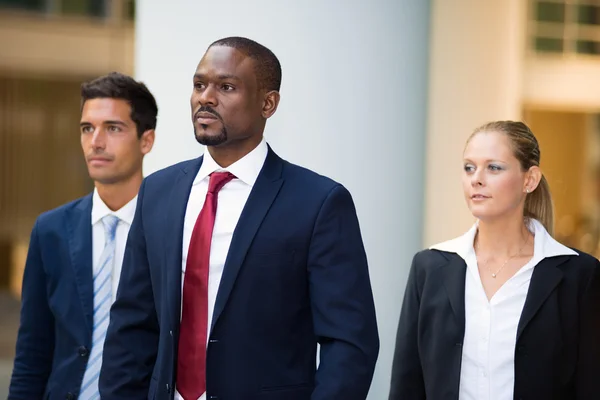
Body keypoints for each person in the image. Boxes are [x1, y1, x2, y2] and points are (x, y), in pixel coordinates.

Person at [99, 36, 379, 400]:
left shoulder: (319, 203)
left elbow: (349, 343)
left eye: (226, 87)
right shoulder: (157, 193)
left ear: (268, 103)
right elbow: (131, 327)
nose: (206, 97)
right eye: (199, 85)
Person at [389, 120, 600, 400]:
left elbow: (591, 386)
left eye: (494, 167)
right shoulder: (429, 268)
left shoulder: (579, 275)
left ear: (530, 179)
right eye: (469, 167)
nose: (476, 178)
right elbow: (407, 384)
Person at [8, 72, 157, 400]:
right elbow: (33, 351)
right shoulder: (51, 230)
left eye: (112, 128)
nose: (96, 142)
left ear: (146, 140)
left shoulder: (170, 230)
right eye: (87, 128)